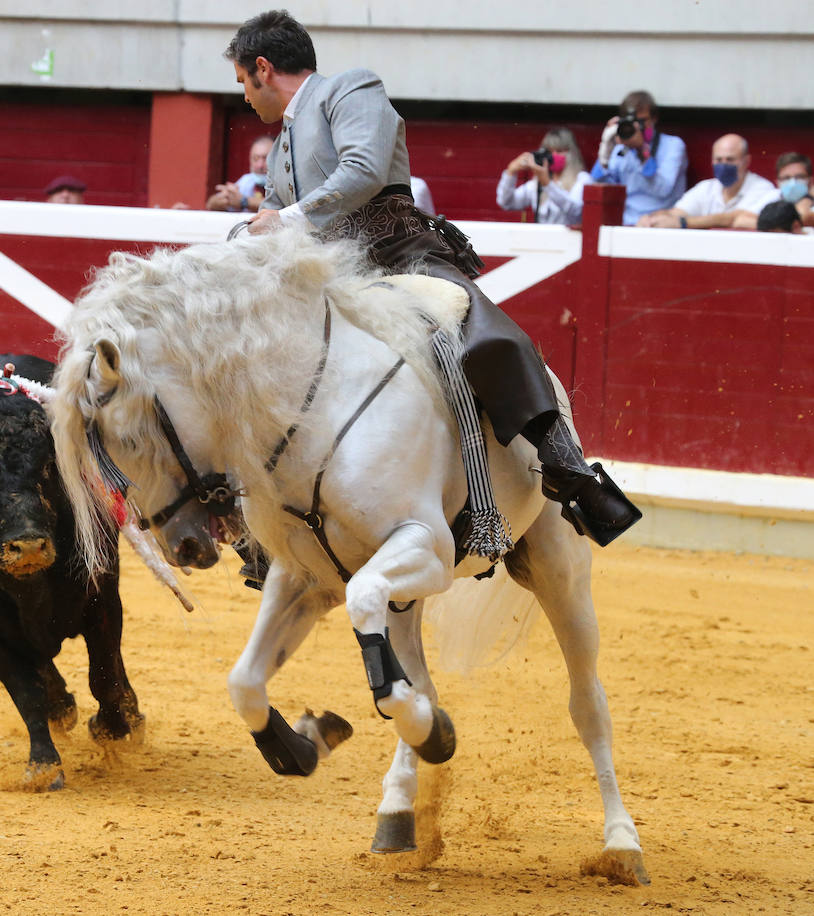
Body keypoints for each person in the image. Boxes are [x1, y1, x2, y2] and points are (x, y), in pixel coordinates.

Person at [226, 9, 638, 544]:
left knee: (490, 334)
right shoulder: (281, 144)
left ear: (263, 67)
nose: (243, 97)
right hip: (328, 274)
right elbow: (276, 214)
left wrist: (286, 218)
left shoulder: (349, 90)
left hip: (397, 252)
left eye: (242, 83)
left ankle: (568, 469)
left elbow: (364, 169)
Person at [590, 91, 688, 226]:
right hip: (626, 223)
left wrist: (642, 150)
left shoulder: (673, 145)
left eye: (641, 121)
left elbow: (662, 189)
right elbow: (597, 184)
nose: (636, 127)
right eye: (631, 122)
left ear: (654, 118)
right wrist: (606, 149)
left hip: (659, 223)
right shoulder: (620, 149)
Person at [638, 134, 773, 229]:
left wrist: (684, 223)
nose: (723, 165)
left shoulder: (763, 188)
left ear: (746, 161)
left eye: (730, 160)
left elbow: (735, 219)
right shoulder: (706, 188)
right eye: (718, 160)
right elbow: (676, 213)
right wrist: (651, 219)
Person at [496, 127, 593, 225]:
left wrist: (548, 185)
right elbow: (506, 203)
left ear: (572, 153)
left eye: (559, 151)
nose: (553, 155)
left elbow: (576, 211)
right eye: (549, 152)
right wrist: (510, 173)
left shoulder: (582, 179)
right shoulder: (537, 183)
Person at [207, 136, 274, 212]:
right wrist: (225, 199)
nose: (260, 165)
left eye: (266, 158)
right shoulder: (247, 181)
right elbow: (210, 203)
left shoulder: (286, 180)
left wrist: (244, 201)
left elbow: (282, 207)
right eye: (255, 159)